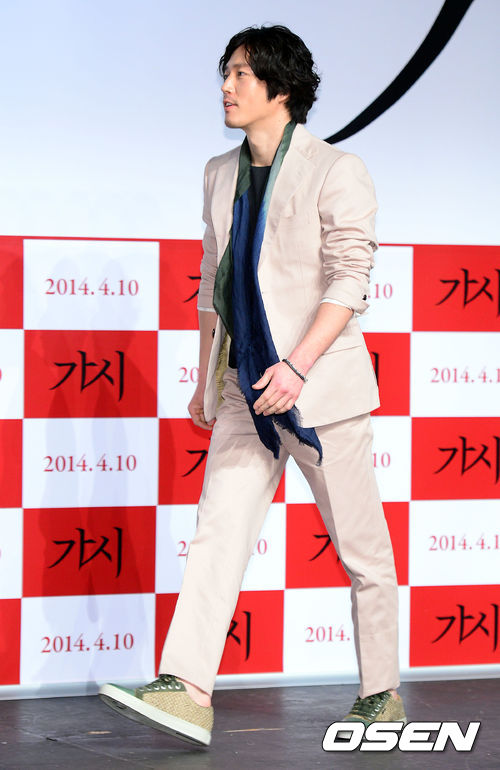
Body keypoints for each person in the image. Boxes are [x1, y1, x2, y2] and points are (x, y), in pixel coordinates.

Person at [100, 23, 406, 747]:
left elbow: (350, 281)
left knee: (362, 549)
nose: (227, 87)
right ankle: (187, 689)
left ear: (282, 88)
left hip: (319, 389)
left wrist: (297, 365)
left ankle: (381, 693)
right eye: (227, 72)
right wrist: (207, 375)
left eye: (241, 74)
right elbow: (215, 279)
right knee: (218, 533)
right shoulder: (218, 172)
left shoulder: (337, 169)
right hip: (245, 386)